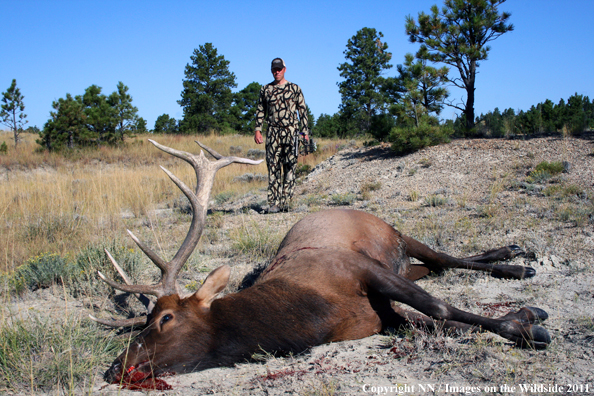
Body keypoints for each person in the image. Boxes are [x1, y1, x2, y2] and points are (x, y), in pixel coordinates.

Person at [254, 58, 309, 213]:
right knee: (273, 167)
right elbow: (260, 110)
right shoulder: (265, 89)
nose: (276, 72)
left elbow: (302, 111)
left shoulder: (295, 88)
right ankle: (274, 203)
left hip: (292, 133)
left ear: (284, 69)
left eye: (279, 69)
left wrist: (304, 132)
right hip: (272, 133)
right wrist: (257, 129)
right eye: (274, 69)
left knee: (290, 167)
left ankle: (286, 203)